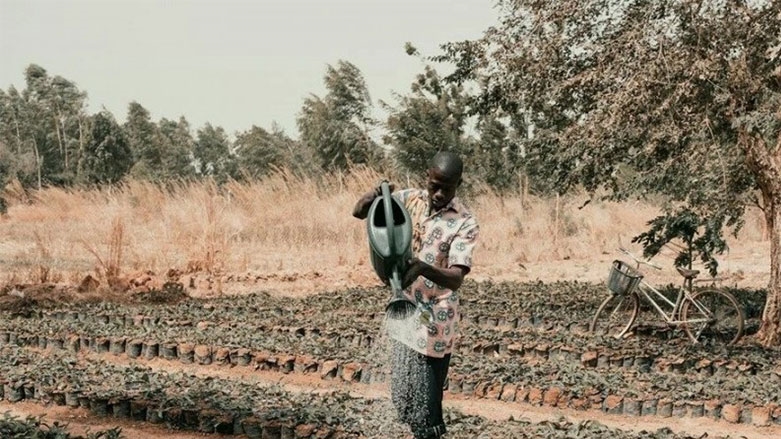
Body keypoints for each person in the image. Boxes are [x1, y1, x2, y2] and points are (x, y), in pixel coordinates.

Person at [352, 151, 479, 439]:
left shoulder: (465, 222)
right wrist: (375, 194)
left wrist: (422, 267)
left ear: (459, 183)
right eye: (435, 185)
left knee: (428, 410)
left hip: (436, 320)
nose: (439, 193)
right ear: (427, 176)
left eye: (447, 187)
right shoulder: (408, 200)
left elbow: (456, 278)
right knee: (403, 400)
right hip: (404, 311)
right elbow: (360, 212)